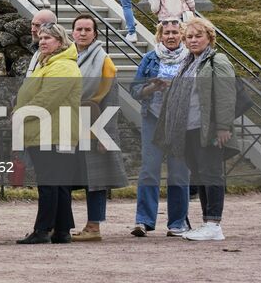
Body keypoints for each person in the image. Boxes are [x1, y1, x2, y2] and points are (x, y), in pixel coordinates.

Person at [154, 15, 235, 241]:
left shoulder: (217, 61)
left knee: (211, 173)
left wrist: (223, 126)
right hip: (188, 129)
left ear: (209, 37)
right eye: (189, 36)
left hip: (207, 128)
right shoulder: (188, 62)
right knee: (199, 175)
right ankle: (207, 222)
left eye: (198, 36)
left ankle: (214, 223)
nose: (193, 40)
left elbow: (226, 95)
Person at [15, 23, 81, 244]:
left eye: (48, 38)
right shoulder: (49, 64)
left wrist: (21, 113)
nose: (42, 41)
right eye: (41, 37)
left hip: (52, 132)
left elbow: (46, 99)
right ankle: (62, 230)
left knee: (49, 183)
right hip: (50, 131)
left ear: (60, 42)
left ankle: (43, 229)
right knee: (59, 184)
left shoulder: (62, 66)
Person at [129, 17, 191, 237]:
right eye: (167, 33)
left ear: (182, 35)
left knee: (179, 171)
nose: (171, 36)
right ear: (160, 36)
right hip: (153, 119)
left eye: (175, 32)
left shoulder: (192, 59)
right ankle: (143, 221)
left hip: (180, 121)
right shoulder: (149, 58)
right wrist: (152, 87)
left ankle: (177, 223)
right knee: (149, 170)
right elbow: (134, 91)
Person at [69, 16, 127, 242]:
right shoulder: (66, 57)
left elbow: (111, 103)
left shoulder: (105, 62)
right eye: (78, 29)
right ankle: (63, 223)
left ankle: (94, 226)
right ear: (72, 32)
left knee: (96, 179)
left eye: (87, 29)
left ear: (95, 34)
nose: (82, 33)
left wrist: (105, 135)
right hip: (69, 124)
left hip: (94, 126)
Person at [26, 9, 57, 76]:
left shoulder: (58, 55)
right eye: (32, 24)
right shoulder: (38, 49)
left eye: (37, 25)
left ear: (51, 27)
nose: (32, 29)